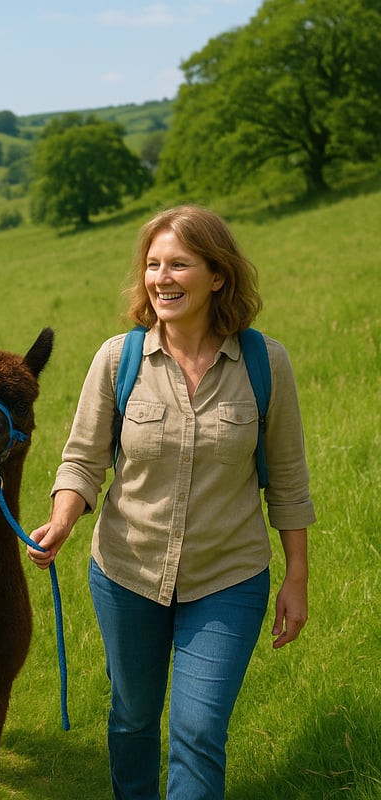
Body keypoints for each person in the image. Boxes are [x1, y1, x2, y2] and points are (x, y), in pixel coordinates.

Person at [27, 204, 315, 799]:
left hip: (228, 577)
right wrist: (62, 521)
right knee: (132, 719)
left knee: (198, 729)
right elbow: (83, 460)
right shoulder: (117, 358)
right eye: (153, 264)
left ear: (217, 276)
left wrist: (297, 577)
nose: (161, 277)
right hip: (126, 574)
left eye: (179, 264)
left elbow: (287, 479)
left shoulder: (266, 363)